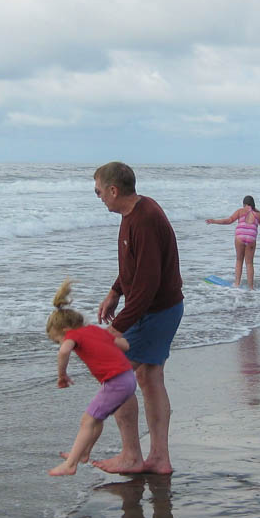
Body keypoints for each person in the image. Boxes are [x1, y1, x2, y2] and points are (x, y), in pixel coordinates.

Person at [93, 162, 184, 475]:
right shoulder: (136, 211)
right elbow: (136, 267)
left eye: (99, 192)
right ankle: (159, 458)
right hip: (163, 309)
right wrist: (115, 292)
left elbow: (146, 288)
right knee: (149, 377)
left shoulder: (144, 220)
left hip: (155, 313)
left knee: (114, 376)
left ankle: (131, 456)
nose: (99, 197)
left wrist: (114, 330)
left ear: (114, 190)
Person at [46, 279, 137, 477]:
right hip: (128, 379)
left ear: (64, 331)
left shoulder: (72, 335)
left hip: (116, 382)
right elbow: (125, 346)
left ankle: (70, 464)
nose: (60, 343)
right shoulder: (95, 331)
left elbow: (64, 351)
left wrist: (62, 375)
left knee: (87, 420)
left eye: (57, 339)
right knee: (97, 418)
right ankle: (84, 453)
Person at [205, 195, 260, 289]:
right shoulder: (259, 214)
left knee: (239, 260)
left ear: (244, 204)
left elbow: (229, 220)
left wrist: (214, 221)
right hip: (251, 239)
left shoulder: (240, 211)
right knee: (249, 263)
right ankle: (251, 288)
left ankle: (237, 284)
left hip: (240, 237)